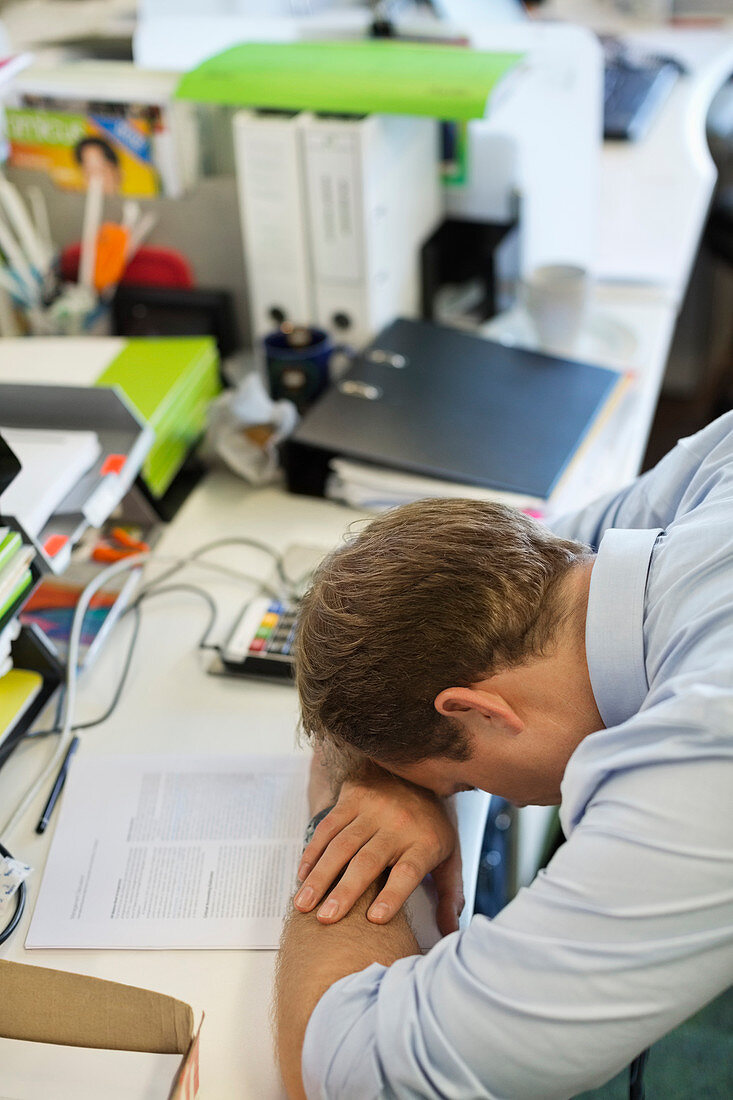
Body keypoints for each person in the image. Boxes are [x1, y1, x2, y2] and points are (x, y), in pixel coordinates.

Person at [275, 412, 733, 1099]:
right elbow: (519, 564)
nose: (505, 803)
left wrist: (338, 833)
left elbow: (359, 1076)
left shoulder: (704, 750)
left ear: (477, 711)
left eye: (457, 783)